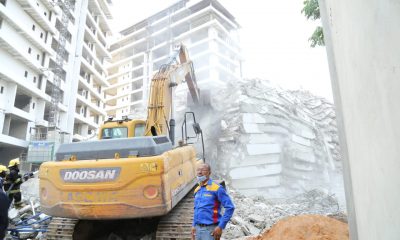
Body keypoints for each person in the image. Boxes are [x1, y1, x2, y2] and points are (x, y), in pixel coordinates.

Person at [191, 163, 235, 240]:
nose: (200, 172)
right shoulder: (197, 190)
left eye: (203, 170)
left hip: (210, 230)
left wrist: (220, 226)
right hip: (197, 230)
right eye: (198, 170)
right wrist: (193, 226)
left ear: (209, 173)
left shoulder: (217, 188)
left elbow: (230, 207)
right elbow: (196, 209)